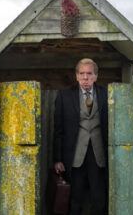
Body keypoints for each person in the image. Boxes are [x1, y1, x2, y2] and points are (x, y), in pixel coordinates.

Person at [54, 58, 108, 215]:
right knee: (75, 199)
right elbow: (58, 130)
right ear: (76, 76)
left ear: (96, 76)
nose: (86, 78)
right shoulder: (64, 96)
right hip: (74, 155)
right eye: (82, 73)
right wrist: (57, 159)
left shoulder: (106, 94)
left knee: (99, 199)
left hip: (99, 155)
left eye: (89, 74)